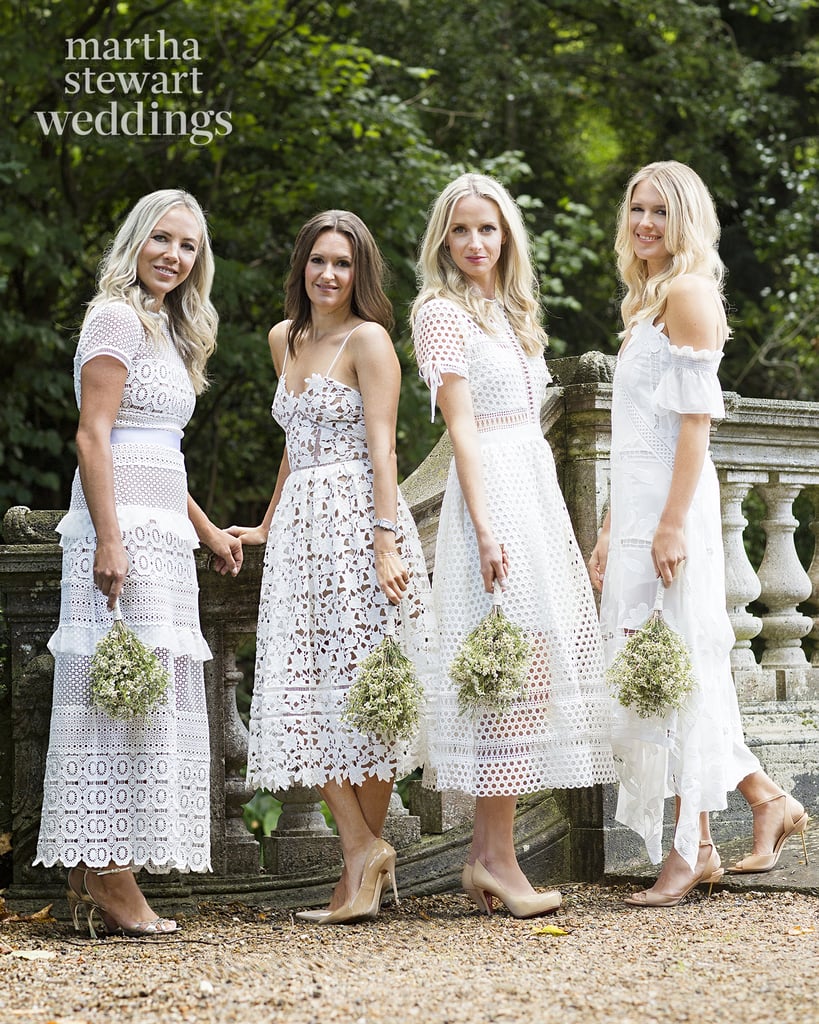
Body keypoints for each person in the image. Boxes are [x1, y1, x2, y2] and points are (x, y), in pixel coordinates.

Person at [588, 160, 809, 907]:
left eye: (659, 211)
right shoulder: (642, 303)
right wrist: (612, 523)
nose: (644, 222)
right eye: (636, 209)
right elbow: (629, 434)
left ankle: (690, 851)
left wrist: (672, 524)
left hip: (673, 510)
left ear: (685, 220)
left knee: (680, 670)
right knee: (659, 670)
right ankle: (760, 803)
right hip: (640, 508)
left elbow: (693, 428)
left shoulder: (687, 295)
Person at [35, 189, 243, 935]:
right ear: (136, 240)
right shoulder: (114, 314)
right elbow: (95, 437)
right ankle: (104, 875)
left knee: (146, 694)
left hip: (165, 531)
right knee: (111, 694)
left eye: (187, 246)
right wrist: (110, 536)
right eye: (161, 239)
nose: (173, 256)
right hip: (117, 529)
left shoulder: (171, 327)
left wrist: (209, 528)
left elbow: (161, 450)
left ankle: (104, 865)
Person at [410, 172, 616, 918]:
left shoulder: (512, 315)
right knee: (500, 672)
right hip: (491, 498)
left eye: (487, 229)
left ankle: (485, 856)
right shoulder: (440, 314)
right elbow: (460, 427)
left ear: (506, 238)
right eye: (460, 230)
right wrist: (487, 523)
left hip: (533, 497)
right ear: (444, 238)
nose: (473, 243)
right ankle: (493, 857)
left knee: (528, 674)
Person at [228, 210, 436, 925]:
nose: (328, 275)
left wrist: (384, 541)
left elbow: (384, 448)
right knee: (302, 692)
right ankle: (364, 856)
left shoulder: (369, 340)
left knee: (365, 696)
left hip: (357, 523)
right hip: (297, 537)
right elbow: (292, 441)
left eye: (342, 264)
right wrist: (264, 518)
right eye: (318, 260)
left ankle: (357, 876)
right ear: (301, 266)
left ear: (359, 273)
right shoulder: (282, 339)